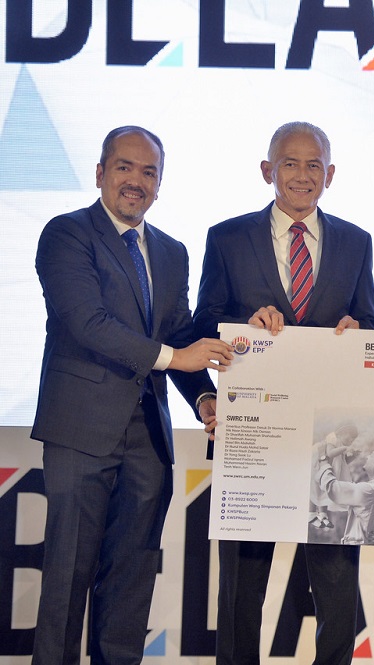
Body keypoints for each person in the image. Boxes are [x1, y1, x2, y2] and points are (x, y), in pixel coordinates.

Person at [31, 126, 232, 664]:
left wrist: (205, 397)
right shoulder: (67, 234)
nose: (136, 181)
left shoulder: (172, 252)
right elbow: (86, 323)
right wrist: (175, 358)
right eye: (124, 167)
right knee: (67, 579)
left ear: (160, 185)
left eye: (149, 172)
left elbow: (182, 335)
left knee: (131, 582)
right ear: (100, 173)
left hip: (148, 440)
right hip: (80, 433)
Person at [193, 121, 374, 665]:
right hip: (256, 442)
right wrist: (244, 323)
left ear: (331, 174)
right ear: (267, 170)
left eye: (314, 164)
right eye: (290, 163)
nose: (302, 175)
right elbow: (206, 322)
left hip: (332, 446)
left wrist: (355, 327)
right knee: (241, 594)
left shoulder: (356, 241)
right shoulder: (226, 237)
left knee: (338, 594)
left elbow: (367, 320)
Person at [315, 440, 374, 545]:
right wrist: (343, 462)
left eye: (372, 455)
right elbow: (349, 490)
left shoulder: (370, 491)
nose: (368, 456)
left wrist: (323, 460)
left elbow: (332, 488)